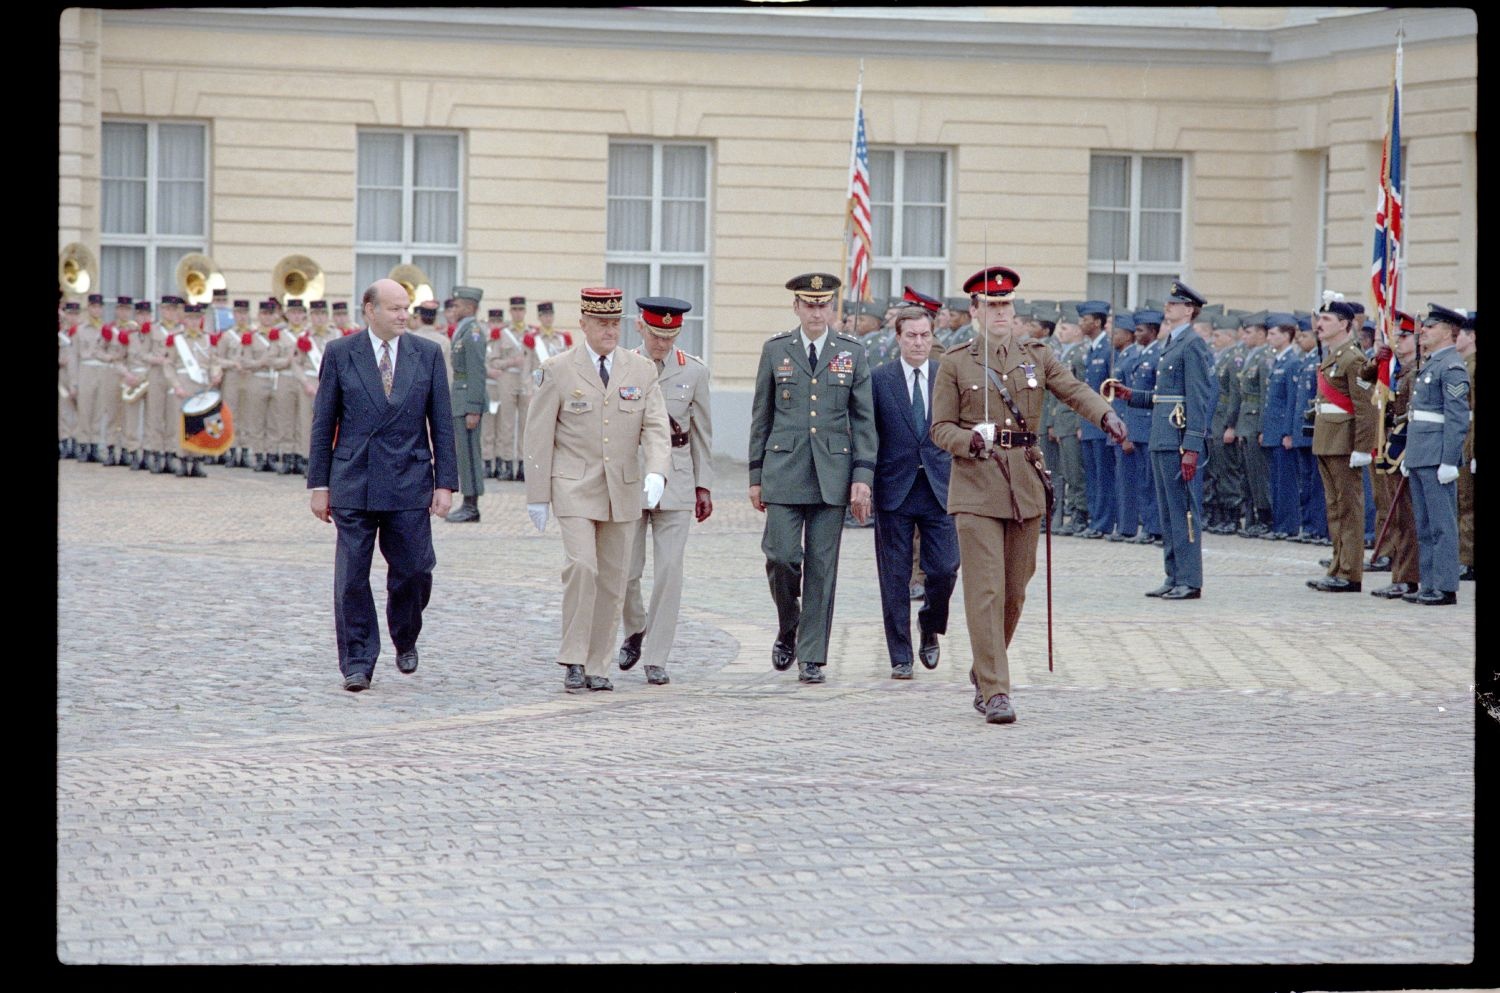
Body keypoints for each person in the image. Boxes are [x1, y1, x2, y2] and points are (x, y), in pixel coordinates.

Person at [931, 265, 1125, 724]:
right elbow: (939, 428)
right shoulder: (955, 361)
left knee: (1015, 593)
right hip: (977, 485)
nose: (1001, 312)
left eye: (1007, 304)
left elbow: (1074, 390)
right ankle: (997, 691)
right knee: (986, 591)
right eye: (991, 305)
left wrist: (1105, 416)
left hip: (1025, 485)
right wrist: (968, 441)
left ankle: (985, 669)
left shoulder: (1036, 355)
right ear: (975, 310)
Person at [307, 278, 458, 692]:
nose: (403, 315)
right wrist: (319, 484)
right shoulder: (341, 353)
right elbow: (324, 423)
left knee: (414, 570)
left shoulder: (426, 353)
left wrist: (444, 484)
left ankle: (405, 634)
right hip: (353, 479)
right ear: (369, 311)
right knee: (351, 577)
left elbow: (442, 424)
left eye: (406, 307)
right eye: (394, 308)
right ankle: (357, 661)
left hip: (409, 480)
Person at [523, 286, 670, 692]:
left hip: (622, 487)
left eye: (614, 324)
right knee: (582, 567)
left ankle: (597, 663)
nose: (609, 331)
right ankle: (572, 656)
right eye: (601, 324)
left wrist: (657, 470)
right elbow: (538, 436)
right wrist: (537, 494)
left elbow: (655, 426)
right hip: (573, 485)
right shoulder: (558, 369)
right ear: (583, 323)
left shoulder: (640, 370)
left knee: (614, 578)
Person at [747, 272, 876, 685]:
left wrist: (862, 475)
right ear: (796, 307)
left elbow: (864, 421)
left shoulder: (852, 352)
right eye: (809, 304)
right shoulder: (775, 350)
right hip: (783, 471)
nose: (817, 311)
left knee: (822, 566)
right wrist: (754, 475)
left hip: (832, 474)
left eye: (824, 304)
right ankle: (790, 623)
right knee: (781, 555)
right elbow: (761, 416)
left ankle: (812, 655)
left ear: (832, 308)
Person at [617, 296, 714, 686]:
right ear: (641, 327)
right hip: (632, 476)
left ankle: (656, 655)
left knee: (670, 571)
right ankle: (636, 627)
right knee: (625, 570)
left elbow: (703, 435)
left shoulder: (694, 372)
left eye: (670, 336)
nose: (662, 344)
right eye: (657, 335)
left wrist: (704, 485)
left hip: (676, 479)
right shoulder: (623, 367)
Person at [1110, 281, 1217, 600]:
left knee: (1184, 511)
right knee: (1168, 511)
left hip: (1178, 440)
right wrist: (1133, 397)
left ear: (1189, 310)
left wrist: (1193, 448)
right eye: (1169, 303)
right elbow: (1164, 396)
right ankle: (1173, 575)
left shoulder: (1192, 345)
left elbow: (1198, 398)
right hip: (1162, 435)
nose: (1168, 307)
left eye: (1175, 303)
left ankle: (1190, 579)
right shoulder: (1171, 343)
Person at [871, 306, 957, 680]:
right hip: (895, 488)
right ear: (899, 338)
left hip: (940, 487)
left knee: (944, 569)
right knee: (894, 575)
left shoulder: (945, 376)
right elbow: (867, 433)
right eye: (911, 336)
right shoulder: (879, 379)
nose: (919, 343)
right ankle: (900, 655)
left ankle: (930, 625)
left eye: (925, 335)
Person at [1400, 304, 1472, 605]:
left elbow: (1457, 418)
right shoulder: (1431, 364)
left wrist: (1449, 460)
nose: (1423, 331)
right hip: (1420, 453)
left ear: (1448, 331)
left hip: (1436, 456)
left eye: (1431, 326)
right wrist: (1409, 455)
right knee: (1425, 524)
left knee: (1442, 524)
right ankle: (1428, 583)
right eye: (1424, 326)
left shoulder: (1451, 367)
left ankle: (1445, 586)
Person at [1305, 299, 1377, 592]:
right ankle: (1338, 566)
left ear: (1345, 324)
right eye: (1319, 318)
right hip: (1327, 440)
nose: (1319, 324)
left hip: (1344, 443)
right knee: (1335, 509)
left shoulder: (1353, 359)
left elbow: (1365, 408)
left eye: (1327, 319)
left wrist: (1362, 447)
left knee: (1349, 508)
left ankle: (1350, 573)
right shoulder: (1333, 356)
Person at [445, 286, 488, 523]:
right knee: (464, 453)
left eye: (459, 304)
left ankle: (471, 505)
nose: (455, 308)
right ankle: (468, 502)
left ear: (470, 307)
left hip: (467, 401)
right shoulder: (463, 330)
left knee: (470, 453)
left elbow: (476, 371)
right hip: (460, 398)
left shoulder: (473, 333)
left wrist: (474, 407)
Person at [1076, 301, 1116, 538]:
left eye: (1085, 320)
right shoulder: (1090, 349)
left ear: (1098, 322)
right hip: (1088, 422)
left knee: (1103, 475)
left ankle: (1103, 522)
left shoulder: (1107, 350)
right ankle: (1095, 519)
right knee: (1091, 475)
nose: (1081, 324)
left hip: (1102, 421)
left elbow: (1111, 389)